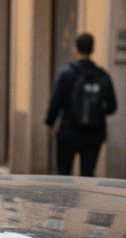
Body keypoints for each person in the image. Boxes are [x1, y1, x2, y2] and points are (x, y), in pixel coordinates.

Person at [45, 32, 117, 178]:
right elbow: (112, 107)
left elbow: (56, 102)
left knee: (63, 173)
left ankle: (65, 200)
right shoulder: (102, 75)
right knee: (87, 175)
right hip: (94, 133)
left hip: (68, 130)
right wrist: (95, 112)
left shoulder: (66, 73)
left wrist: (50, 123)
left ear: (75, 48)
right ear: (92, 49)